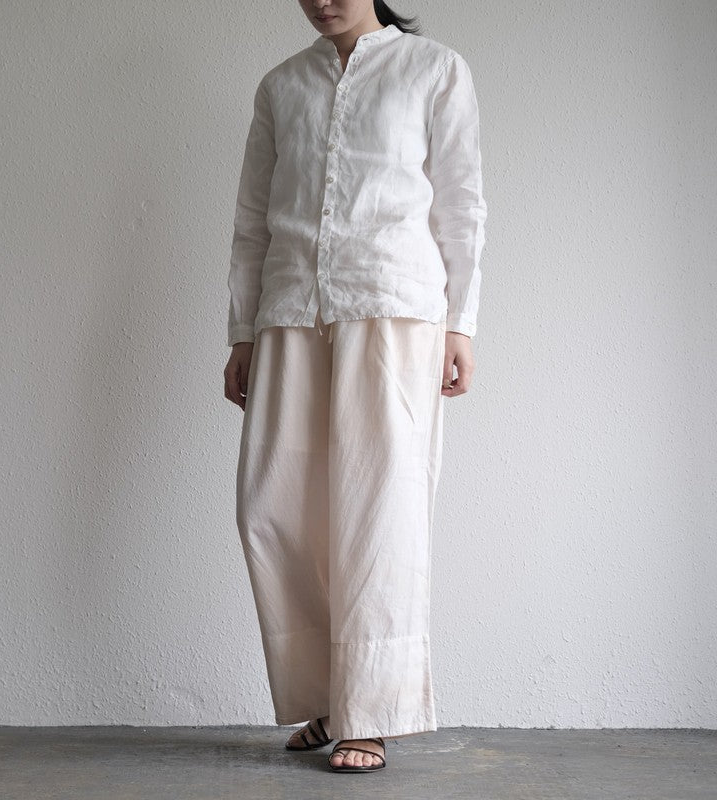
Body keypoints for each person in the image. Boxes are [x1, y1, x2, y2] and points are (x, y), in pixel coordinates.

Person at [221, 0, 487, 774]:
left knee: (381, 508)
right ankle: (327, 698)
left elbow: (462, 203)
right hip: (290, 308)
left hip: (393, 304)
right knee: (273, 507)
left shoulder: (434, 71)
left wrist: (462, 324)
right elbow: (252, 219)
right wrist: (242, 331)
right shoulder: (281, 86)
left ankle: (373, 712)